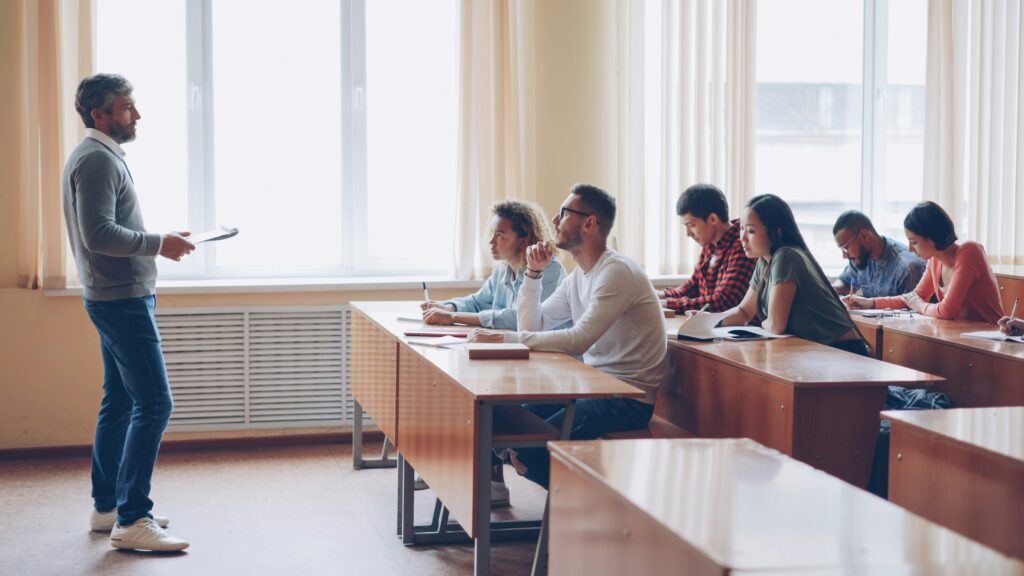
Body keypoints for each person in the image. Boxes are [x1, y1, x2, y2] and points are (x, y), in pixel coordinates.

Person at [63, 74, 191, 552]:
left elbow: (111, 228)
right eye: (126, 107)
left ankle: (108, 507)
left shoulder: (98, 155)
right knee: (155, 403)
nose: (135, 116)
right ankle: (133, 518)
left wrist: (161, 239)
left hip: (114, 294)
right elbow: (99, 234)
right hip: (121, 299)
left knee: (118, 401)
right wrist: (159, 244)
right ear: (99, 114)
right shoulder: (96, 160)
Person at [469, 184, 667, 488]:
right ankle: (588, 510)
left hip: (627, 399)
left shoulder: (617, 271)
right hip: (592, 388)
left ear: (589, 223)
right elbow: (533, 328)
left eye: (563, 213)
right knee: (503, 420)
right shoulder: (578, 276)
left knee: (530, 450)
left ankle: (607, 516)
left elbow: (579, 339)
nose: (554, 220)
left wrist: (505, 340)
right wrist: (533, 275)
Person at [718, 194, 869, 356]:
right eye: (741, 229)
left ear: (777, 231)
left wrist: (762, 324)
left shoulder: (786, 256)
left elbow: (776, 325)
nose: (743, 238)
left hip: (843, 353)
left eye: (751, 231)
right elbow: (743, 312)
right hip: (818, 352)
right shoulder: (764, 261)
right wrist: (707, 320)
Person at [847, 202, 1004, 323]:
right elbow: (914, 297)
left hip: (991, 340)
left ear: (932, 236)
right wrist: (870, 303)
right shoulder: (935, 260)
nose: (909, 249)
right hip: (962, 336)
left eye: (914, 242)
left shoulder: (969, 251)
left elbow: (948, 310)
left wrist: (920, 306)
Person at [421, 200, 565, 328]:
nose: (491, 241)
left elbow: (520, 317)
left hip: (552, 353)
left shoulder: (549, 269)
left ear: (523, 239)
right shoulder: (502, 268)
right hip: (516, 346)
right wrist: (448, 307)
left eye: (500, 235)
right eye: (492, 233)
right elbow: (478, 302)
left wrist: (453, 317)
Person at [657, 184, 756, 312]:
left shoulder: (742, 247)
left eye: (691, 225)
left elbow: (723, 301)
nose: (688, 233)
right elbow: (693, 285)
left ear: (713, 219)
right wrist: (662, 295)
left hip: (737, 329)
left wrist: (669, 304)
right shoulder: (709, 244)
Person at [831, 210, 926, 297]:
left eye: (846, 248)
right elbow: (845, 282)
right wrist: (832, 289)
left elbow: (914, 312)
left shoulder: (907, 269)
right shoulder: (860, 258)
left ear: (863, 236)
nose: (844, 256)